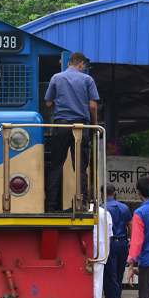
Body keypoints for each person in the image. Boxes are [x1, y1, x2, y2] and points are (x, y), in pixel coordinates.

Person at [44, 52, 100, 213]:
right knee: (81, 167)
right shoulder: (88, 80)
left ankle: (49, 206)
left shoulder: (56, 78)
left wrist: (60, 101)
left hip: (61, 126)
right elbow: (93, 106)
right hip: (81, 128)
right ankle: (81, 204)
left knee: (56, 165)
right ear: (81, 63)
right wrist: (95, 126)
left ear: (69, 63)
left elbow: (48, 103)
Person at [101, 184, 133, 298]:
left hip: (110, 244)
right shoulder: (124, 207)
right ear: (114, 193)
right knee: (119, 276)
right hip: (122, 244)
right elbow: (130, 224)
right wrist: (130, 241)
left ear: (102, 195)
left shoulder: (102, 209)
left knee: (110, 276)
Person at [93, 205, 113, 298]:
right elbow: (109, 235)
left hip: (84, 249)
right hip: (100, 251)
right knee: (97, 281)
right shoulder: (105, 213)